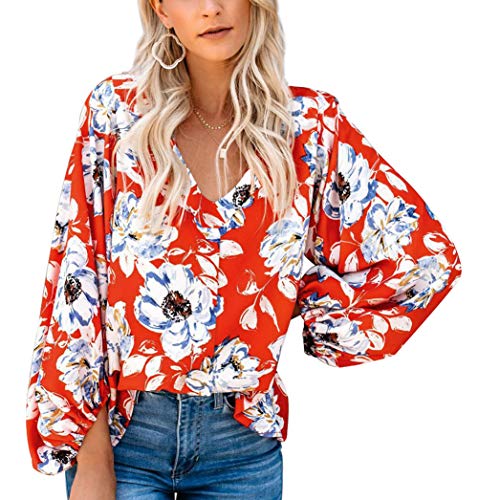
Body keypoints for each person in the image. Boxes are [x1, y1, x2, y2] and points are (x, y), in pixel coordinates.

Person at [24, 0, 463, 499]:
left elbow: (425, 259)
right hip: (126, 439)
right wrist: (91, 459)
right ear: (161, 9)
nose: (211, 9)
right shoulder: (119, 114)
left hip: (242, 449)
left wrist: (309, 300)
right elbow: (76, 286)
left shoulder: (309, 129)